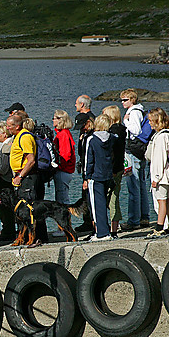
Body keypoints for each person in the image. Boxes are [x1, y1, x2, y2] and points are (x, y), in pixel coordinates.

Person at [8, 112, 47, 245]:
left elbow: (31, 161)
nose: (7, 128)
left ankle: (37, 237)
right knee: (23, 209)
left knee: (30, 208)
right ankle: (24, 237)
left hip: (28, 177)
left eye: (10, 126)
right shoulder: (17, 136)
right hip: (22, 176)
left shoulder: (24, 137)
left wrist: (20, 176)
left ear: (17, 126)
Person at [121, 88, 152, 231]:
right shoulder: (140, 111)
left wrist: (125, 122)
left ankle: (133, 220)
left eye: (125, 100)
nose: (123, 102)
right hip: (140, 151)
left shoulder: (133, 113)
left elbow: (136, 130)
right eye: (122, 100)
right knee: (141, 186)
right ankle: (144, 217)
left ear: (132, 100)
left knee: (133, 187)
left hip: (133, 151)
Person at [83, 115, 115, 241]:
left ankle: (102, 233)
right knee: (105, 203)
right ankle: (106, 230)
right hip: (107, 174)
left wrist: (87, 176)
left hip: (96, 176)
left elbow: (88, 160)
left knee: (97, 205)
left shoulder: (92, 139)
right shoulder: (112, 138)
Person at [146, 107, 169, 237]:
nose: (149, 123)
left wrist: (156, 178)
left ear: (156, 121)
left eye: (150, 121)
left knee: (161, 201)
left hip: (162, 176)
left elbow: (159, 159)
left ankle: (159, 227)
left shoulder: (160, 138)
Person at [102, 105, 127, 238]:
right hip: (118, 168)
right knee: (114, 198)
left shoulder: (114, 132)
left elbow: (113, 154)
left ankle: (112, 229)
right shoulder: (121, 130)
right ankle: (113, 228)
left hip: (113, 170)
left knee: (111, 199)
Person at [73, 95, 96, 234]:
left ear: (82, 105)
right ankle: (87, 220)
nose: (75, 106)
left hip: (89, 164)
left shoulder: (90, 119)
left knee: (88, 194)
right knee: (85, 193)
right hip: (84, 162)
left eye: (76, 103)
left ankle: (90, 221)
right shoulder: (84, 119)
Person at [52, 110, 77, 204]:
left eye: (54, 118)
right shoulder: (63, 133)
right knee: (62, 198)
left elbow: (65, 155)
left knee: (62, 200)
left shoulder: (63, 134)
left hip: (63, 171)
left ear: (60, 120)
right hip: (65, 170)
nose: (53, 120)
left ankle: (66, 218)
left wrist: (58, 166)